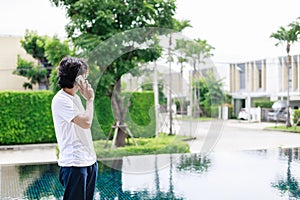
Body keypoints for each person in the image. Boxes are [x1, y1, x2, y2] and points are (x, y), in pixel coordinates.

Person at [51, 57, 98, 200]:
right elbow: (86, 122)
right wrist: (90, 100)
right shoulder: (61, 100)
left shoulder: (75, 98)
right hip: (74, 164)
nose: (86, 80)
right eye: (85, 77)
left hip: (88, 161)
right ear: (78, 79)